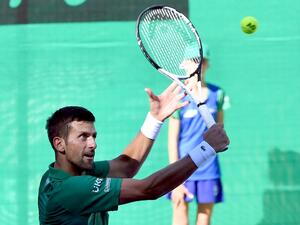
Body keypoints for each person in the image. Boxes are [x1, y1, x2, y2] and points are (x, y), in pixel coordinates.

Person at [38, 82, 229, 225]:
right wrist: (205, 149)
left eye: (94, 136)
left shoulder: (72, 172)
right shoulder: (67, 188)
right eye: (83, 137)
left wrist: (155, 119)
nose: (93, 144)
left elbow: (126, 166)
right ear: (59, 144)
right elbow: (149, 189)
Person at [167, 44, 230, 225]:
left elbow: (219, 132)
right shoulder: (178, 95)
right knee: (179, 215)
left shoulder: (218, 94)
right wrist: (175, 177)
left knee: (204, 220)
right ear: (184, 64)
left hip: (209, 169)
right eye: (194, 61)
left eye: (202, 61)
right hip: (182, 169)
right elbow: (172, 140)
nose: (198, 65)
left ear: (208, 64)